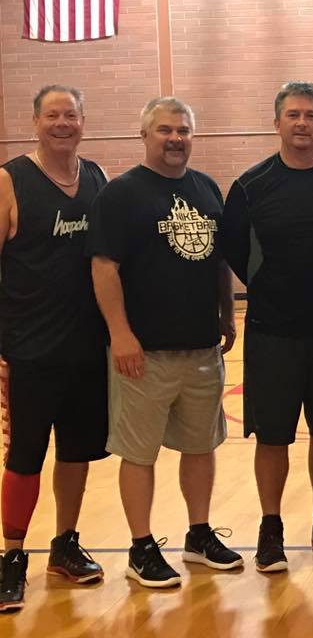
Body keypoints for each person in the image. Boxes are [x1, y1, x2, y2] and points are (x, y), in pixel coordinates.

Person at [88, 97, 241, 589]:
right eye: (165, 130)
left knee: (200, 447)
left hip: (201, 348)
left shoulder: (206, 188)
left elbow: (218, 259)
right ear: (145, 135)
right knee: (139, 454)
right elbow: (104, 267)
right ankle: (140, 547)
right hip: (143, 352)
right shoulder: (121, 194)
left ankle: (199, 535)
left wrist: (225, 313)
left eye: (183, 130)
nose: (175, 138)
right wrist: (120, 333)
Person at [221, 82, 313, 572]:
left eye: (311, 115)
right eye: (294, 115)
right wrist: (270, 286)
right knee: (273, 437)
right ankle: (271, 528)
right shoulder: (250, 186)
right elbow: (234, 250)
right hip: (271, 333)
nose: (302, 123)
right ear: (277, 122)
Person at [0, 86, 108, 611]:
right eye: (52, 115)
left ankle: (65, 544)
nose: (62, 123)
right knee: (25, 455)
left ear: (83, 121)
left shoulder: (97, 177)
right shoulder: (10, 179)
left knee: (77, 450)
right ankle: (11, 557)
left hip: (87, 346)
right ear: (35, 122)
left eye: (71, 115)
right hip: (29, 348)